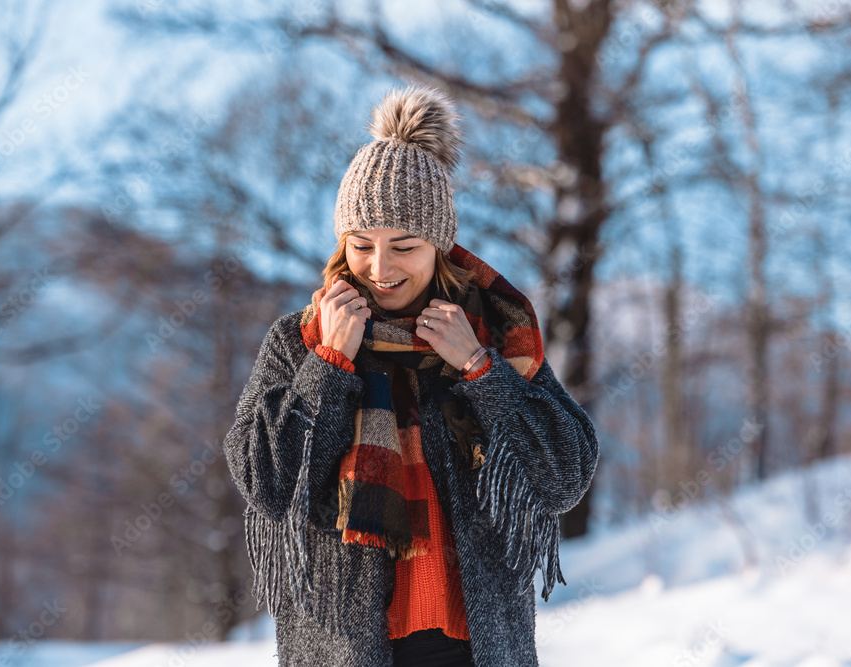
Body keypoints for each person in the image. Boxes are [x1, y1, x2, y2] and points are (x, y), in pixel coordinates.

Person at [222, 83, 599, 666]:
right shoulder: (300, 342)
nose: (380, 267)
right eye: (361, 244)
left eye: (403, 245)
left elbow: (563, 476)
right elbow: (268, 483)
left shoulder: (492, 336)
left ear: (440, 246)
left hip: (477, 650)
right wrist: (330, 367)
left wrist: (479, 369)